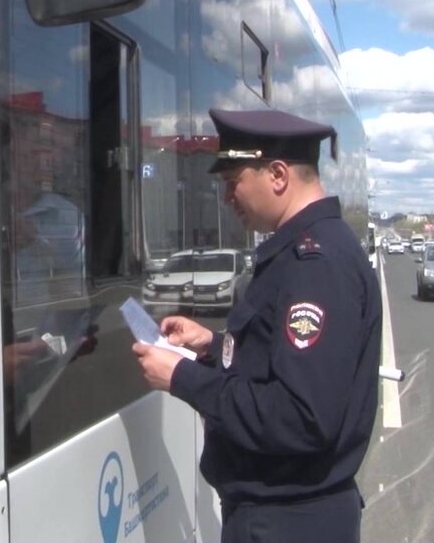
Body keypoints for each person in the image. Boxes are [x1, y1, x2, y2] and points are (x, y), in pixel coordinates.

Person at [132, 107, 383, 543]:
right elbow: (281, 359)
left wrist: (184, 378)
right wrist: (212, 345)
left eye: (233, 184)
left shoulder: (315, 265)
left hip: (287, 523)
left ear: (278, 175)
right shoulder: (306, 252)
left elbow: (299, 418)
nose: (228, 199)